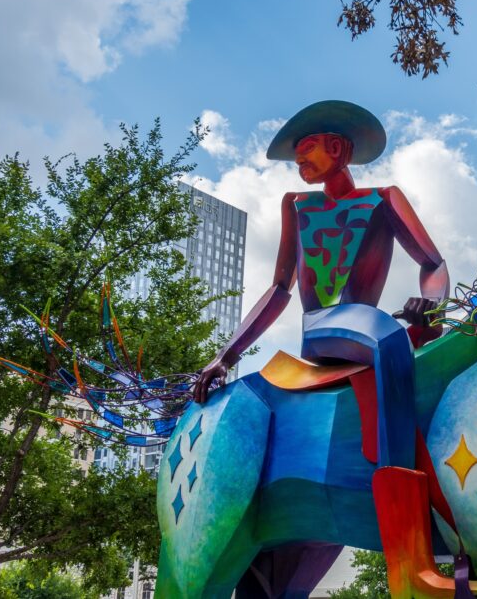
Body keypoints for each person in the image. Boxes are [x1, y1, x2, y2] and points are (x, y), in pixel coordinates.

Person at [192, 100, 457, 595]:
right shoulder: (297, 204)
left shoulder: (384, 200)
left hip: (364, 330)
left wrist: (433, 303)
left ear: (338, 148)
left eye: (306, 150)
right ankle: (411, 561)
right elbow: (278, 290)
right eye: (295, 156)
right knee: (387, 336)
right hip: (324, 328)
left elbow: (433, 264)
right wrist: (225, 355)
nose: (299, 163)